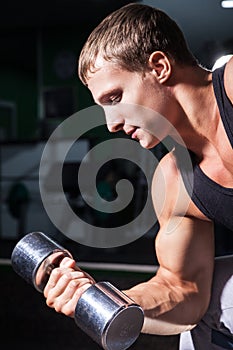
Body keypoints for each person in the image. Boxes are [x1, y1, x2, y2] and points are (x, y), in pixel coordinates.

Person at [42, 3, 233, 349]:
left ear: (159, 67)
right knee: (211, 299)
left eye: (115, 97)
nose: (111, 123)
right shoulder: (175, 181)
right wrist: (105, 300)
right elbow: (183, 289)